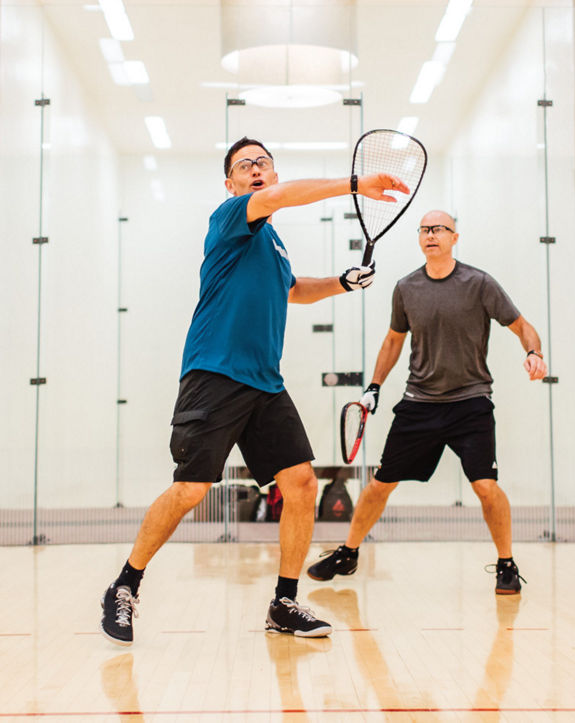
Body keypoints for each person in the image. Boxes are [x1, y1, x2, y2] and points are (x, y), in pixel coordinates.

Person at [100, 137, 410, 644]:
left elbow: (292, 291)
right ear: (231, 183)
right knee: (192, 489)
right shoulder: (230, 216)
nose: (257, 169)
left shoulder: (273, 243)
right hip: (215, 374)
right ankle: (123, 584)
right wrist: (355, 185)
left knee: (302, 484)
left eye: (264, 162)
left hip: (265, 382)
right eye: (246, 165)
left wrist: (343, 281)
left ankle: (284, 603)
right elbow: (284, 197)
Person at [307, 210, 547, 594]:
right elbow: (393, 342)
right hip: (419, 403)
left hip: (471, 403)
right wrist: (374, 387)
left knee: (485, 486)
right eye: (424, 229)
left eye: (439, 229)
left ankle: (506, 563)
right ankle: (348, 553)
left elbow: (521, 325)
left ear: (455, 237)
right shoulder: (406, 288)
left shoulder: (480, 283)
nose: (430, 235)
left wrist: (533, 351)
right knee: (380, 484)